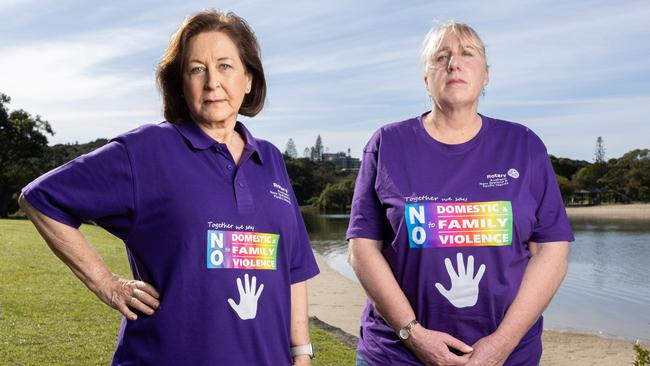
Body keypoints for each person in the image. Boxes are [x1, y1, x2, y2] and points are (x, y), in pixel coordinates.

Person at [19, 10, 318, 365]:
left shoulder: (269, 159)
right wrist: (108, 284)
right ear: (180, 84)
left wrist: (301, 353)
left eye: (225, 66)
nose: (212, 82)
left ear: (249, 79)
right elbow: (40, 199)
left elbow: (294, 267)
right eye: (196, 69)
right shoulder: (145, 151)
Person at [347, 20, 573, 366]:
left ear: (486, 76)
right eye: (441, 57)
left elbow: (551, 252)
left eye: (468, 54)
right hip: (396, 354)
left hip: (508, 356)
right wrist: (414, 335)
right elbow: (363, 250)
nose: (454, 63)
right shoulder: (387, 144)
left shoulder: (524, 146)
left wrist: (501, 344)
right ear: (426, 79)